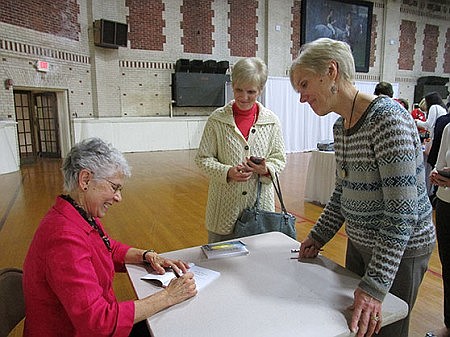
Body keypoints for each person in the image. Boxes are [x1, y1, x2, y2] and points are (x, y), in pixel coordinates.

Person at [289, 38, 435, 337]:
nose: (302, 97)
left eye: (304, 85)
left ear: (331, 72)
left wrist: (375, 284)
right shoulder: (341, 127)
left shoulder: (387, 119)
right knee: (357, 329)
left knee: (385, 330)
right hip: (360, 243)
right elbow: (344, 190)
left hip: (401, 250)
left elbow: (402, 211)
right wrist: (318, 236)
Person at [23, 137, 197, 337]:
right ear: (85, 179)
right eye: (114, 187)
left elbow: (107, 247)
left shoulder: (77, 213)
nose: (118, 198)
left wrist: (146, 255)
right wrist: (168, 296)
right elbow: (97, 322)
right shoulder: (63, 238)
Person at [195, 57, 286, 243]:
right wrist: (227, 172)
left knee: (258, 268)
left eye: (251, 92)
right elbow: (203, 159)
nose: (244, 97)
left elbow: (279, 159)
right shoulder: (217, 120)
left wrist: (266, 169)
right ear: (232, 85)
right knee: (220, 267)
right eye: (238, 90)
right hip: (223, 214)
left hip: (260, 214)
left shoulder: (271, 121)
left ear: (261, 90)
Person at [428, 123, 450, 337]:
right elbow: (440, 162)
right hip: (445, 204)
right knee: (448, 266)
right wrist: (437, 174)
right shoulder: (449, 128)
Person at [416, 92, 447, 196]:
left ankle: (426, 192)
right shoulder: (442, 108)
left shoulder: (434, 107)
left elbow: (429, 124)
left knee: (428, 167)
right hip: (438, 139)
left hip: (433, 140)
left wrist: (416, 122)